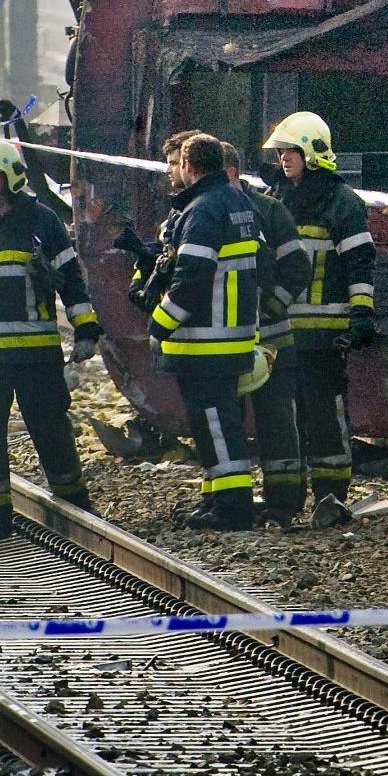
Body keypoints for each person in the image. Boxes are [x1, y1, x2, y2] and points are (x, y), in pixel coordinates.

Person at [0, 135, 96, 540]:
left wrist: (86, 327)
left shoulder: (42, 221)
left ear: (11, 178)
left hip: (36, 354)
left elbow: (72, 278)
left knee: (50, 427)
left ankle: (74, 504)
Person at [261, 112, 375, 525]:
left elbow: (360, 264)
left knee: (325, 418)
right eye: (281, 152)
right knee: (281, 420)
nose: (283, 159)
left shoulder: (342, 203)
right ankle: (282, 500)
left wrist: (361, 314)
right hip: (281, 333)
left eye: (290, 151)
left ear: (311, 153)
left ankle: (330, 497)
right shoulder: (275, 199)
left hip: (325, 336)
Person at [149, 130, 263, 530]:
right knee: (217, 422)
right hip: (233, 335)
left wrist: (159, 323)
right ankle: (216, 498)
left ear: (188, 166)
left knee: (214, 422)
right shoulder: (238, 203)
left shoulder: (202, 210)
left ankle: (232, 510)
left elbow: (192, 278)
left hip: (207, 339)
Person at [220, 140, 311, 523]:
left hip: (272, 339)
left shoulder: (270, 211)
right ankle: (234, 502)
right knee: (227, 421)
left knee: (276, 422)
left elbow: (297, 268)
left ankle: (283, 502)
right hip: (224, 341)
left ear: (229, 173)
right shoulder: (206, 211)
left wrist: (269, 307)